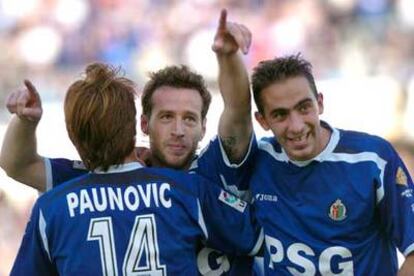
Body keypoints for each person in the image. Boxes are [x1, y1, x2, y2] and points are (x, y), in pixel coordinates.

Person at [1, 10, 258, 275]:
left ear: (205, 127)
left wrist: (228, 58)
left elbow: (237, 113)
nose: (179, 130)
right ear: (144, 124)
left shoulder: (211, 170)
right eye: (167, 117)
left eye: (190, 119)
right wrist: (25, 121)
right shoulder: (103, 174)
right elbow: (17, 164)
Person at [225, 51, 414, 275]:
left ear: (320, 103)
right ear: (262, 120)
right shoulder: (258, 160)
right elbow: (235, 113)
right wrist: (227, 56)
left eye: (304, 107)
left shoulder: (371, 160)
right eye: (280, 115)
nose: (296, 126)